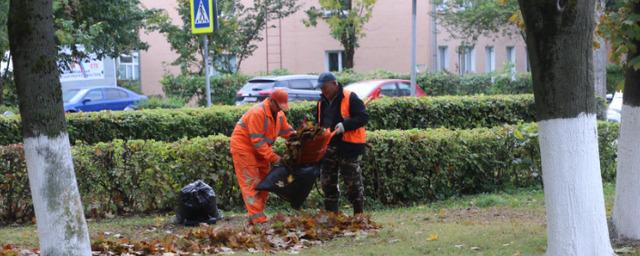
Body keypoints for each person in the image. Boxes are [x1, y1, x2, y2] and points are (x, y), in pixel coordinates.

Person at [230, 88, 295, 224]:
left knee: (265, 183)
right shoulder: (257, 113)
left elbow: (287, 131)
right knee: (251, 184)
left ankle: (256, 216)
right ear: (271, 101)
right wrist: (275, 158)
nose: (279, 109)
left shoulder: (279, 114)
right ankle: (258, 219)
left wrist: (301, 137)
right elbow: (258, 142)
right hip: (244, 149)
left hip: (260, 151)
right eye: (278, 106)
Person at [315, 72, 368, 215]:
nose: (323, 91)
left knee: (353, 183)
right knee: (327, 182)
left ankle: (359, 215)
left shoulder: (350, 97)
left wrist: (345, 125)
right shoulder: (321, 102)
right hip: (329, 147)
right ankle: (332, 215)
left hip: (348, 146)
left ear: (334, 84)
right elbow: (319, 123)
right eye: (321, 88)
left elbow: (363, 117)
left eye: (324, 87)